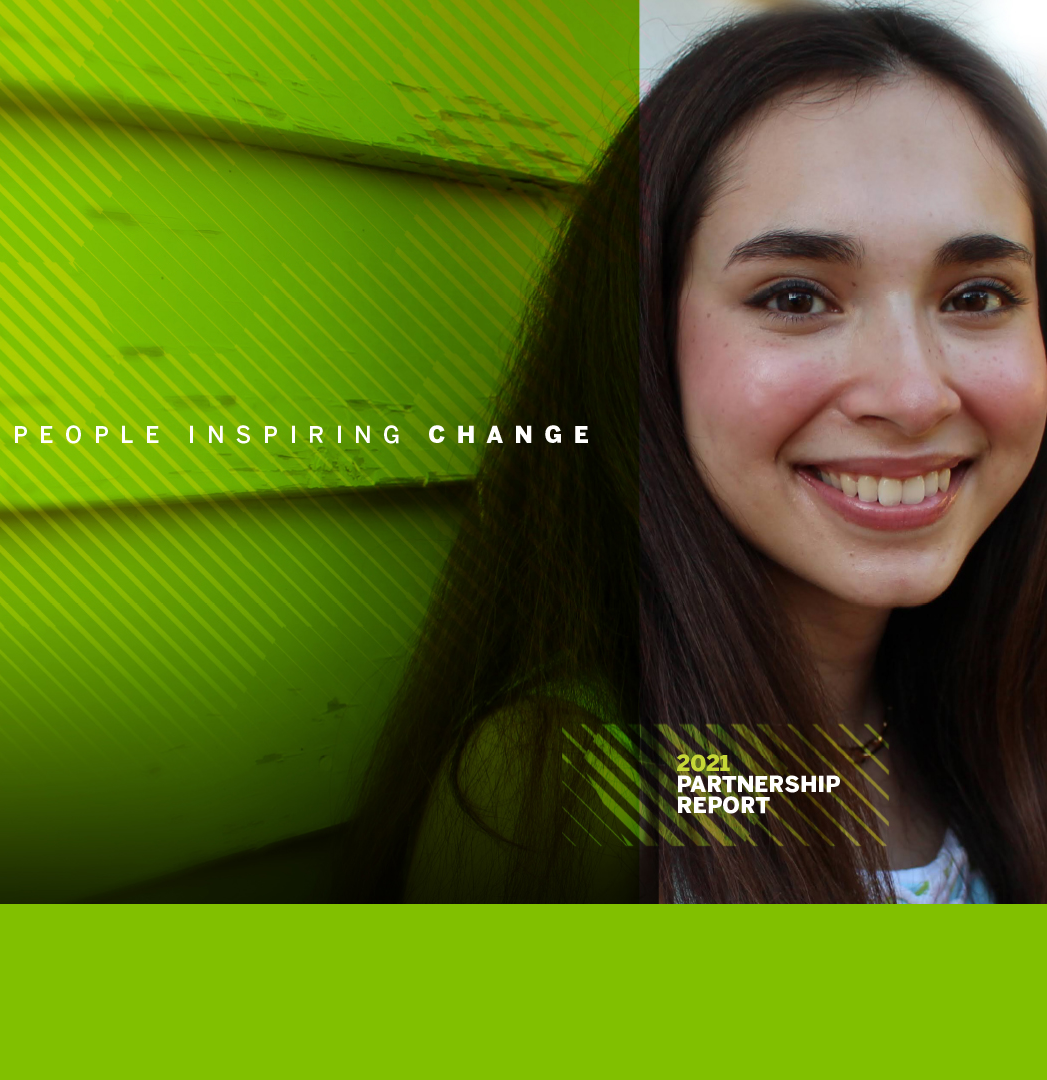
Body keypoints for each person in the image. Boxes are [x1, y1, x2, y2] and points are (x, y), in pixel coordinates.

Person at [340, 4, 1047, 903]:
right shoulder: (574, 789)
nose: (913, 396)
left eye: (978, 296)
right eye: (795, 298)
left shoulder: (1002, 714)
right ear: (644, 340)